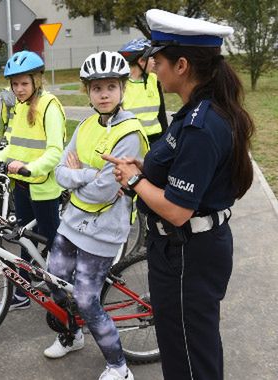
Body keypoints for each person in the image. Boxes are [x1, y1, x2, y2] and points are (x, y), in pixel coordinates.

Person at [103, 9, 254, 380]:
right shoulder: (193, 113)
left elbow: (176, 211)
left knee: (189, 359)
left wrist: (135, 181)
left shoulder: (202, 125)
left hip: (188, 254)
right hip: (180, 253)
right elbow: (177, 170)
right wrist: (142, 166)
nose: (152, 66)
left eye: (158, 59)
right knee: (186, 349)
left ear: (182, 64)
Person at [45, 51, 149, 380]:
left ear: (122, 90)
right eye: (96, 88)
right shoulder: (87, 124)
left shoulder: (129, 134)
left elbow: (104, 191)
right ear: (87, 92)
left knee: (88, 300)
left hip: (104, 229)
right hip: (73, 221)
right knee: (55, 280)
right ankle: (73, 335)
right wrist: (91, 175)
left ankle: (119, 367)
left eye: (110, 87)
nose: (103, 94)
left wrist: (84, 178)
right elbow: (61, 171)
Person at [0, 50, 66, 311]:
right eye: (15, 84)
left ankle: (62, 290)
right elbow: (12, 146)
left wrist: (29, 168)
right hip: (21, 184)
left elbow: (55, 151)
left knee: (53, 240)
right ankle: (24, 293)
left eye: (24, 83)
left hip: (43, 185)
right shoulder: (20, 107)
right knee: (24, 237)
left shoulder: (50, 106)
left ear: (37, 80)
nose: (19, 89)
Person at [119, 38, 169, 143]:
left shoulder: (154, 80)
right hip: (133, 140)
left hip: (156, 139)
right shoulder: (121, 85)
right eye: (152, 58)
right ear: (141, 61)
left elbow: (161, 114)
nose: (154, 62)